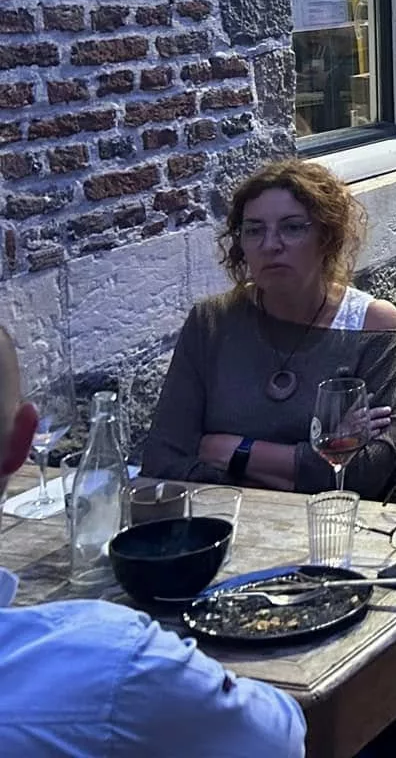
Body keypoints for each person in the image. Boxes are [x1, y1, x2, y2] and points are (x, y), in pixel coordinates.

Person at [0, 324, 308, 756]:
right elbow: (278, 738)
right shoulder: (119, 666)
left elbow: (368, 464)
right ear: (21, 442)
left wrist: (230, 450)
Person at [141, 160, 396, 498]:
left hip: (329, 522)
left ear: (327, 237)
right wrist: (318, 456)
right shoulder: (210, 322)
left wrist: (233, 451)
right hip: (223, 516)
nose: (270, 245)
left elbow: (368, 471)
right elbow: (162, 460)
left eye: (292, 228)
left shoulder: (371, 326)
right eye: (254, 230)